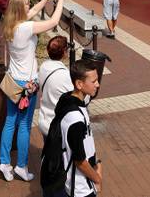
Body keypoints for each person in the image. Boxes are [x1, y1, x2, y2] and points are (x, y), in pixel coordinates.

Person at [0, 0, 66, 182]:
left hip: (12, 80)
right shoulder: (26, 28)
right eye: (26, 4)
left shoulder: (10, 24)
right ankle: (21, 165)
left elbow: (36, 9)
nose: (30, 6)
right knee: (25, 126)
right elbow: (53, 22)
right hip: (26, 84)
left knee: (10, 121)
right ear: (20, 9)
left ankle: (4, 162)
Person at [40, 58, 102, 197]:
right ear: (79, 84)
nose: (97, 84)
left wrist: (97, 162)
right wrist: (97, 178)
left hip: (82, 182)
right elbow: (79, 160)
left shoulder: (69, 99)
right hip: (80, 187)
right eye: (93, 81)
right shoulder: (75, 119)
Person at [37, 35, 73, 138]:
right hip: (59, 125)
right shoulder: (65, 74)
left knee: (48, 151)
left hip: (44, 120)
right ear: (64, 53)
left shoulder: (43, 66)